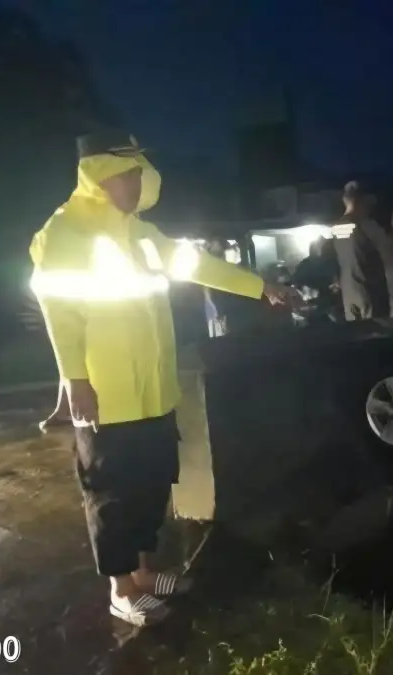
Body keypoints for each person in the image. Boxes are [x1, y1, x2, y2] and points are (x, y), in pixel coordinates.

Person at [29, 130, 300, 627]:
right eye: (126, 173)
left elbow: (198, 265)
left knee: (152, 486)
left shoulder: (142, 235)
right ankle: (121, 588)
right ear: (100, 175)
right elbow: (58, 312)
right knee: (111, 493)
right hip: (106, 396)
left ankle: (146, 573)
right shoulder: (64, 233)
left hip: (153, 391)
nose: (136, 182)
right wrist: (75, 379)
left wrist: (260, 286)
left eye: (139, 173)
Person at [332, 181, 390, 320]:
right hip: (370, 293)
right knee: (374, 335)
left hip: (349, 293)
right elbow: (388, 254)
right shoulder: (368, 226)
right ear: (361, 202)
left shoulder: (337, 227)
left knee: (356, 334)